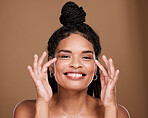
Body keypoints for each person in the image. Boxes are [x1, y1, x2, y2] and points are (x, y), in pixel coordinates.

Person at [13, 1, 130, 118]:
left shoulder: (118, 113)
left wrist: (109, 108)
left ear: (95, 68)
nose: (75, 64)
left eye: (85, 57)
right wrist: (42, 104)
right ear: (50, 66)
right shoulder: (25, 111)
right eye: (65, 56)